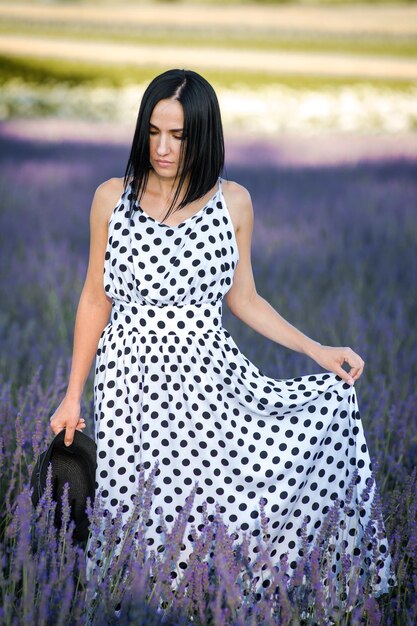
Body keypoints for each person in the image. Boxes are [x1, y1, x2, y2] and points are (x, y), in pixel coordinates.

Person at [49, 68, 394, 594]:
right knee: (131, 509)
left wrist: (316, 349)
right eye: (153, 131)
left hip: (208, 379)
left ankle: (223, 600)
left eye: (179, 135)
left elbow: (244, 298)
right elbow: (96, 297)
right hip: (127, 382)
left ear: (204, 136)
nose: (162, 148)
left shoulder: (233, 203)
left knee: (212, 506)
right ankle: (130, 607)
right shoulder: (110, 199)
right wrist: (73, 395)